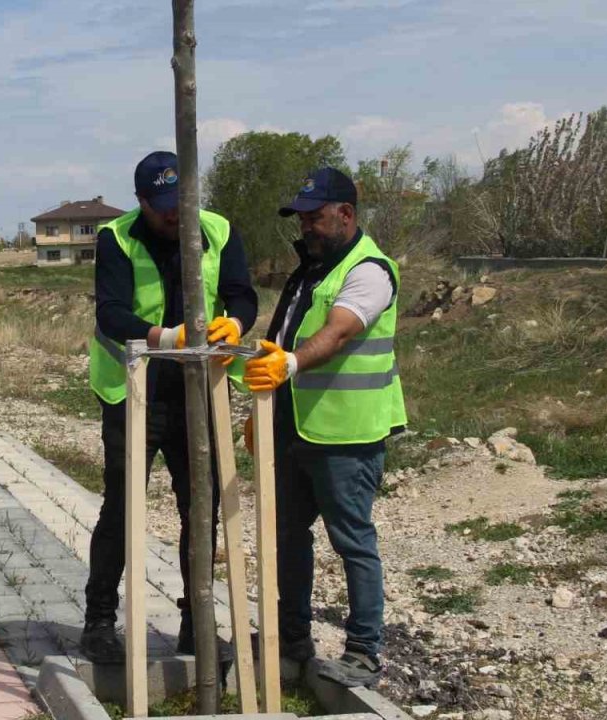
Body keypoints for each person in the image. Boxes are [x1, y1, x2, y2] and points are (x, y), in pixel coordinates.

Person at [82, 150, 259, 663]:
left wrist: (236, 323)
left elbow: (242, 294)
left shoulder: (219, 231)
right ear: (141, 201)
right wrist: (166, 337)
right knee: (122, 506)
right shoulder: (116, 238)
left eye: (180, 203)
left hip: (198, 389)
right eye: (161, 207)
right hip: (135, 388)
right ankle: (99, 623)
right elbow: (112, 313)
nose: (173, 215)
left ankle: (195, 625)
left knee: (200, 506)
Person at [243, 167, 407, 687]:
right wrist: (260, 408)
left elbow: (337, 333)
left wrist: (289, 365)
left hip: (348, 436)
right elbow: (280, 341)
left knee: (352, 541)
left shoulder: (369, 271)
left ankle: (363, 652)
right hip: (296, 428)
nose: (306, 227)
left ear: (346, 214)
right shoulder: (309, 271)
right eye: (302, 219)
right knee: (288, 537)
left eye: (315, 218)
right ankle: (292, 640)